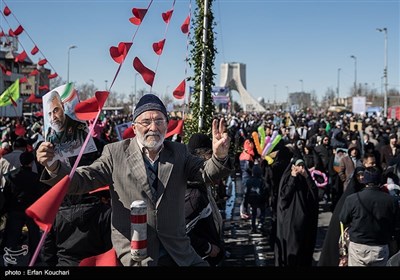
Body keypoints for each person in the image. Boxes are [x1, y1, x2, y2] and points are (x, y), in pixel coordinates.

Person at [36, 93, 232, 266]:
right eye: (146, 122)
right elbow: (81, 181)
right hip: (134, 256)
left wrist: (219, 156)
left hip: (178, 253)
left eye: (159, 121)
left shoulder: (179, 152)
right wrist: (53, 166)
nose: (153, 128)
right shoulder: (115, 153)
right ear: (134, 126)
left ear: (166, 124)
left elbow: (207, 173)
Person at [339, 167, 400, 266]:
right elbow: (396, 224)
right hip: (380, 247)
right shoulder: (391, 201)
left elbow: (343, 218)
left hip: (358, 247)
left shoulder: (352, 199)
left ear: (364, 180)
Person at [185, 133, 225, 266]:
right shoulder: (193, 194)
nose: (214, 162)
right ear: (199, 159)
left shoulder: (203, 186)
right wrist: (207, 247)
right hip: (200, 258)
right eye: (210, 156)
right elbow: (180, 231)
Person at [274, 158, 319, 267]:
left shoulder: (305, 179)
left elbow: (314, 194)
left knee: (303, 252)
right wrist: (293, 177)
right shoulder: (288, 178)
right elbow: (284, 198)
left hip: (304, 222)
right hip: (290, 222)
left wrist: (306, 176)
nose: (300, 168)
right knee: (291, 252)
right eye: (298, 166)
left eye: (302, 166)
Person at [45, 90, 88, 157]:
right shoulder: (49, 134)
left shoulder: (80, 130)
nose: (53, 117)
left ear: (63, 107)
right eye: (50, 114)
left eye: (55, 110)